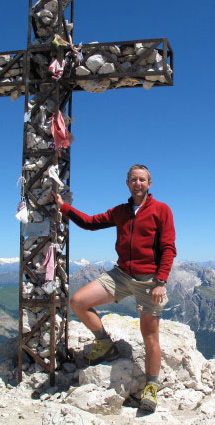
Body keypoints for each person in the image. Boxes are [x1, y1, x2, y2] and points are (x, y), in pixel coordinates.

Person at [53, 164, 176, 413]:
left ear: (149, 184)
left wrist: (160, 281)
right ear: (127, 183)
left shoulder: (161, 210)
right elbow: (90, 223)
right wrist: (63, 207)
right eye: (133, 179)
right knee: (78, 301)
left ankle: (151, 387)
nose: (138, 183)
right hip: (121, 275)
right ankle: (105, 344)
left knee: (150, 336)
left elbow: (168, 247)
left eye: (142, 180)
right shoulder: (121, 211)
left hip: (149, 280)